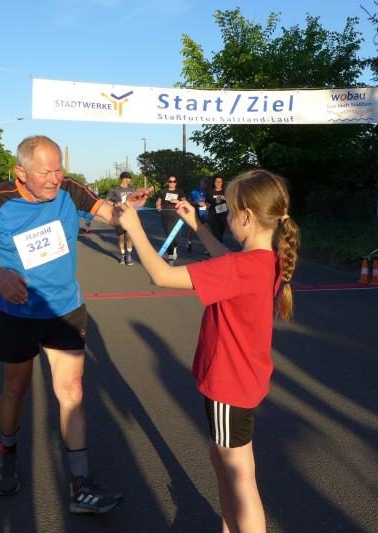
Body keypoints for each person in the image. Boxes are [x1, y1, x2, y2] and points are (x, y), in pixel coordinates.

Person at [0, 135, 152, 514]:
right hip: (18, 311)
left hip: (66, 309)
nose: (54, 179)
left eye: (58, 170)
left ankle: (81, 485)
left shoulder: (69, 189)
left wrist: (126, 209)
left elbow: (108, 214)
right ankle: (7, 454)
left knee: (73, 391)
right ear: (20, 172)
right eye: (45, 172)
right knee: (15, 388)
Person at [115, 169, 300, 533]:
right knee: (225, 460)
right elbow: (226, 259)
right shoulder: (265, 260)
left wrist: (134, 228)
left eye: (229, 210)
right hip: (242, 379)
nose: (226, 217)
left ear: (246, 216)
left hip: (228, 384)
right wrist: (197, 227)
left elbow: (161, 276)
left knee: (239, 474)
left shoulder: (240, 267)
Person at [105, 171, 137, 265]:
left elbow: (137, 199)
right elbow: (106, 200)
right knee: (121, 237)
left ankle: (129, 255)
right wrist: (115, 204)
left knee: (130, 236)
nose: (129, 180)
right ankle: (123, 255)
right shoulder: (115, 190)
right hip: (119, 217)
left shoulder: (133, 189)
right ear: (123, 179)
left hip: (130, 216)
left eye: (130, 178)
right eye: (128, 178)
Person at [155, 175, 186, 265]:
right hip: (166, 217)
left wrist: (177, 201)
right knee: (170, 237)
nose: (172, 183)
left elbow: (185, 202)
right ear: (168, 182)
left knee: (177, 237)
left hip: (178, 217)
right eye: (170, 181)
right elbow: (158, 201)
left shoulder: (179, 191)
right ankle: (170, 258)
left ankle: (174, 248)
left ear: (176, 183)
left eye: (174, 181)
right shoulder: (163, 191)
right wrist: (158, 206)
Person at [185, 176, 210, 254]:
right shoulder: (194, 191)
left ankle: (207, 247)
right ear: (200, 183)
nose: (204, 184)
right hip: (196, 212)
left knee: (206, 230)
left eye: (206, 183)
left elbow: (211, 202)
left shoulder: (209, 192)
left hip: (205, 213)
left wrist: (207, 204)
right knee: (193, 228)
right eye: (203, 182)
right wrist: (197, 203)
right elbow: (189, 201)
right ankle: (189, 242)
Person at [207, 174, 229, 243]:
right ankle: (219, 247)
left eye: (220, 182)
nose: (218, 183)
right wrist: (207, 204)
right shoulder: (210, 191)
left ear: (222, 183)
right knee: (216, 234)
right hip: (212, 215)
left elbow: (231, 202)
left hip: (222, 215)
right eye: (217, 181)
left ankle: (218, 246)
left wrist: (225, 199)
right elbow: (206, 202)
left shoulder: (225, 191)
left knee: (220, 234)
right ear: (214, 182)